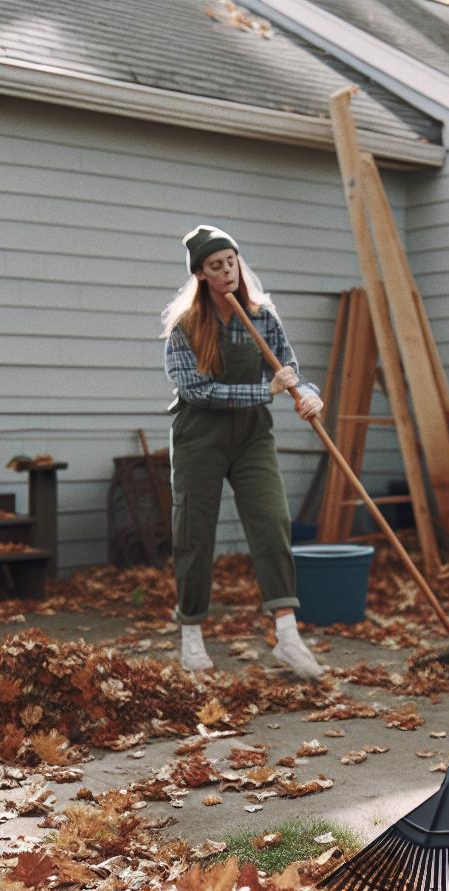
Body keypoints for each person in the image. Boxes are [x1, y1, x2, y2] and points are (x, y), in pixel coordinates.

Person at [162, 225, 327, 681]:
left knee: (273, 522)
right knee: (194, 533)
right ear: (200, 274)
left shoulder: (263, 318)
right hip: (199, 438)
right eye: (216, 266)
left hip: (252, 439)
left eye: (231, 261)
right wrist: (264, 389)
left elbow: (289, 373)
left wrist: (310, 394)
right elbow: (195, 389)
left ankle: (288, 637)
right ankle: (192, 634)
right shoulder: (185, 327)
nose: (227, 271)